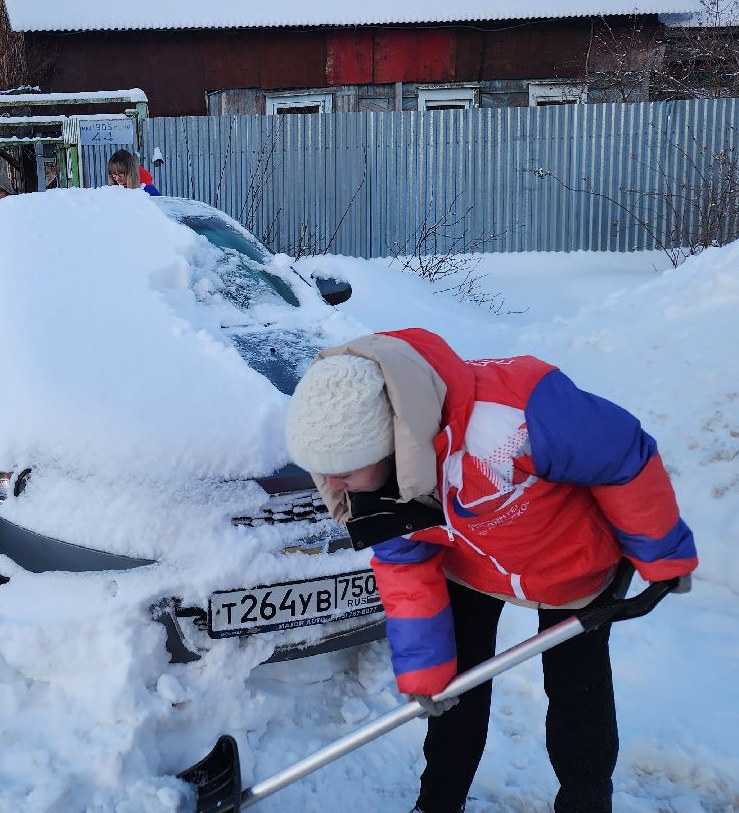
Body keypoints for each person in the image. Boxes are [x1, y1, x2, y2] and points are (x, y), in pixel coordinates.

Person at [284, 329, 697, 813]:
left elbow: (624, 456)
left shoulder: (514, 416)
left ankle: (586, 802)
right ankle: (438, 802)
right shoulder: (373, 486)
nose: (331, 484)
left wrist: (663, 555)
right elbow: (404, 569)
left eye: (345, 469)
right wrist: (424, 672)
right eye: (321, 470)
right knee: (456, 691)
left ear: (393, 443)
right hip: (469, 567)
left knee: (576, 695)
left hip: (568, 567)